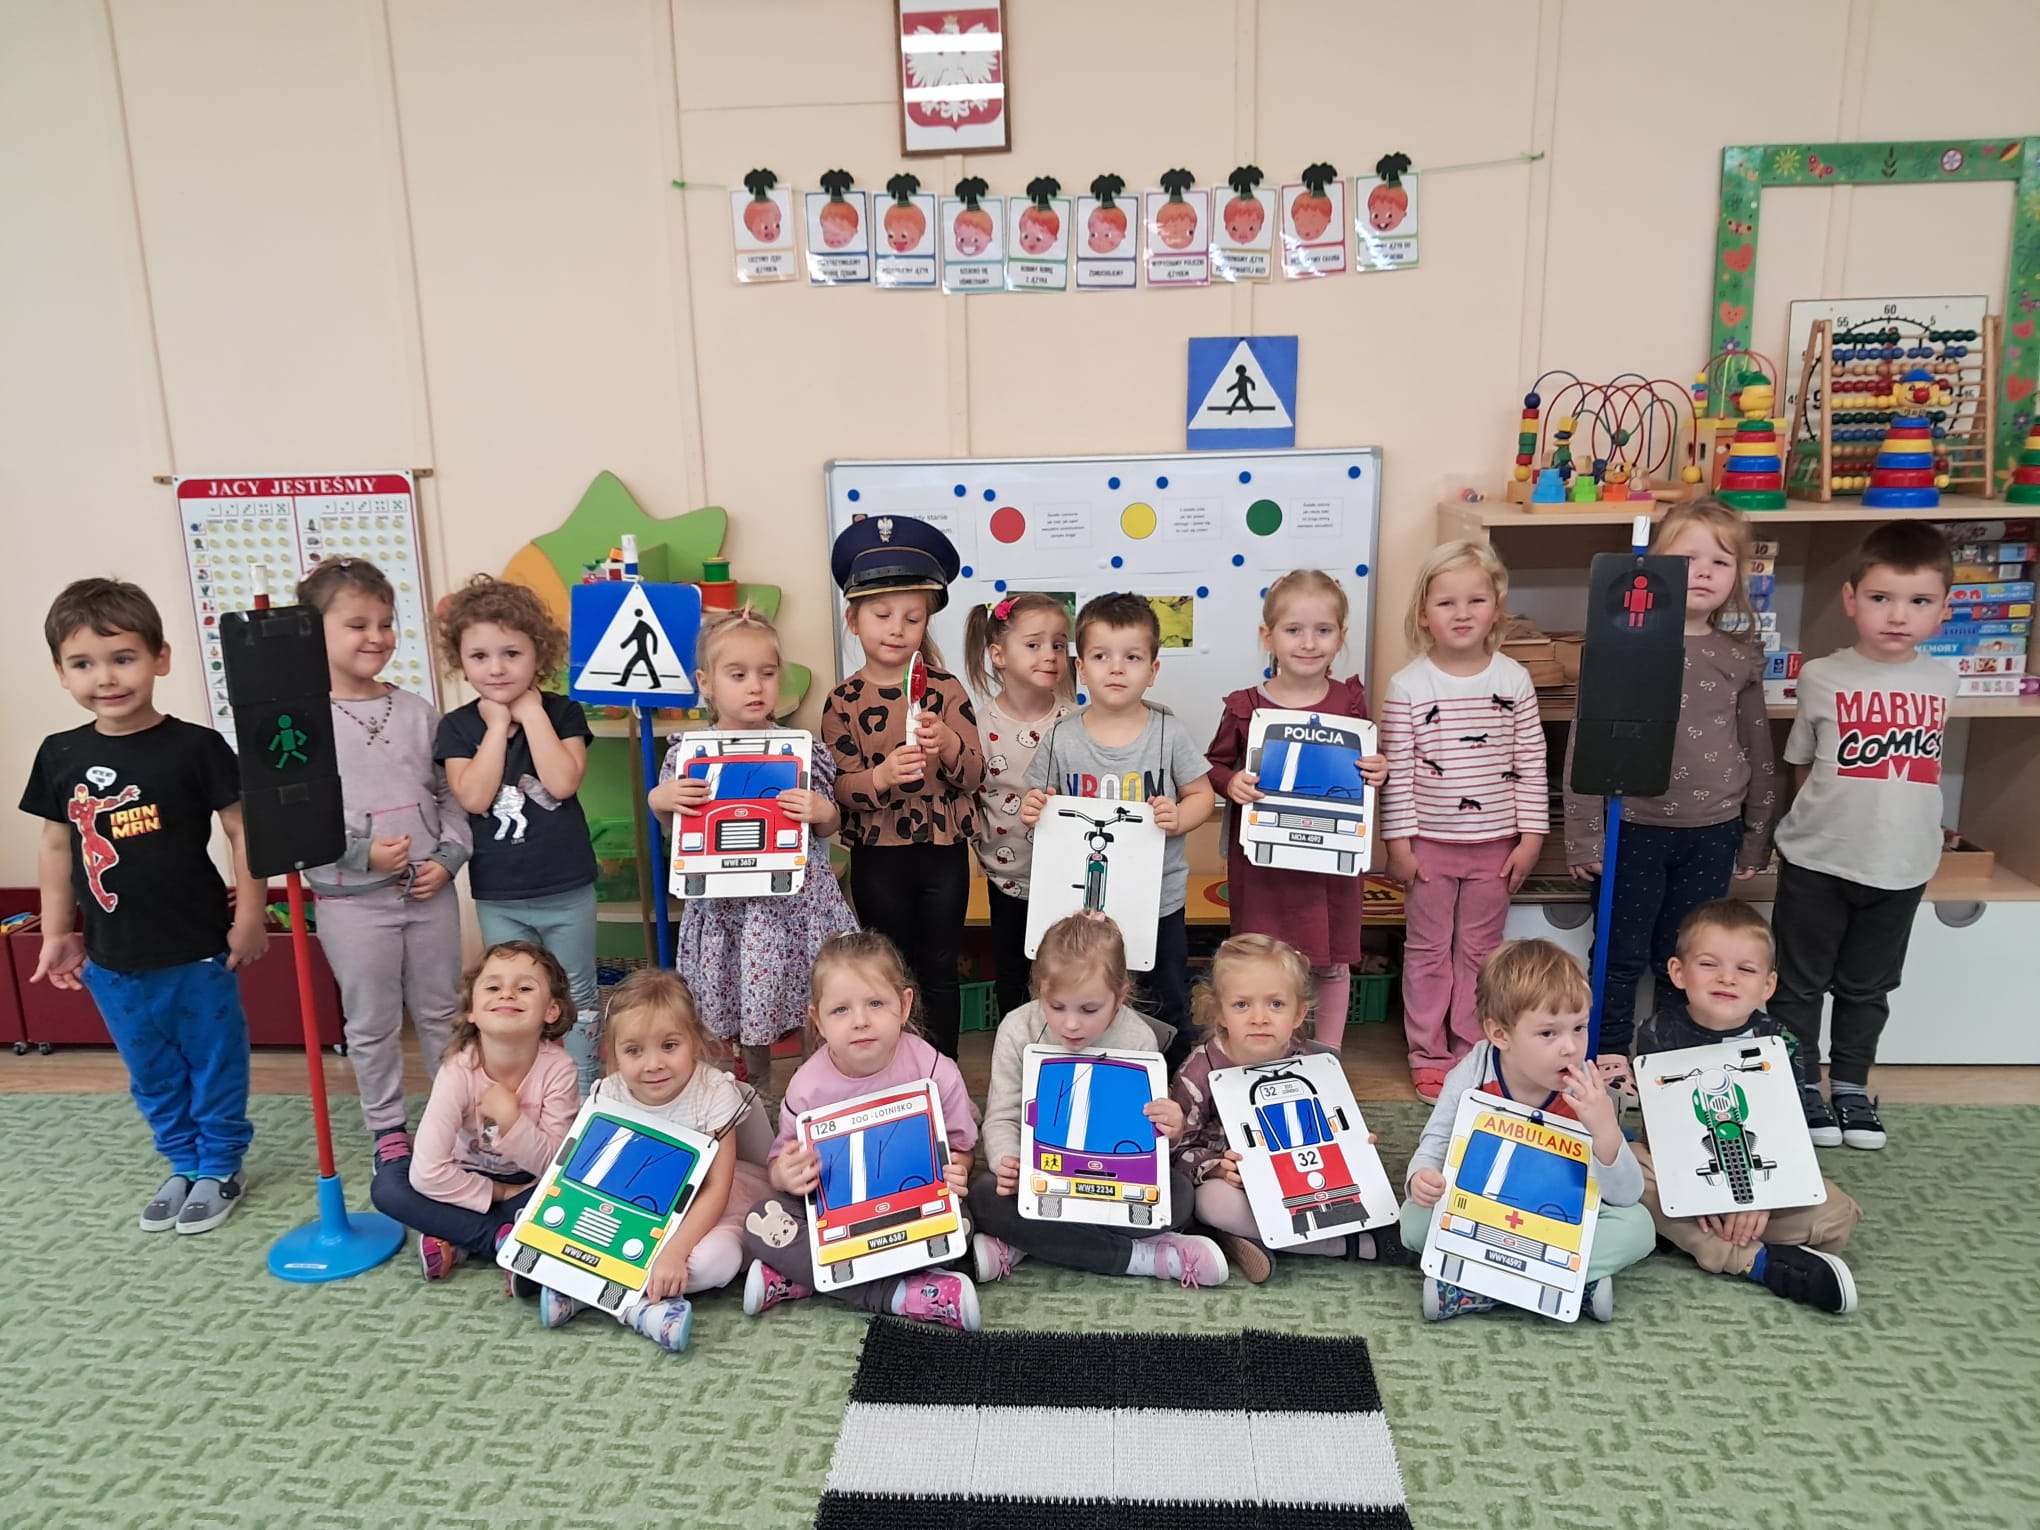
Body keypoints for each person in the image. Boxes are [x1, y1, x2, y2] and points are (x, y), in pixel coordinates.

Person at [21, 578, 269, 1235]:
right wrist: (56, 933)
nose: (106, 677)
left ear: (160, 657)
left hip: (196, 950)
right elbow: (55, 848)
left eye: (122, 657)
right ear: (61, 672)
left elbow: (245, 831)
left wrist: (249, 914)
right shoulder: (60, 754)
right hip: (113, 957)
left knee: (215, 1060)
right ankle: (183, 1161)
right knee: (151, 1071)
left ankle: (220, 1164)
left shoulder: (196, 747)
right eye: (84, 664)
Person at [1564, 499, 1779, 1057]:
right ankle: (1606, 1060)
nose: (1705, 571)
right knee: (1617, 953)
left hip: (1712, 833)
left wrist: (1756, 836)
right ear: (1652, 569)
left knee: (1685, 959)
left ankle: (1670, 1064)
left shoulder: (1739, 658)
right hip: (1632, 828)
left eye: (1721, 561)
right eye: (1688, 559)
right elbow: (1587, 742)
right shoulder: (1618, 650)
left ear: (1737, 577)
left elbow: (1758, 750)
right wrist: (1585, 834)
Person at [1769, 521, 1955, 1151]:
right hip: (1817, 861)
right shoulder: (1822, 676)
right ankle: (1798, 1086)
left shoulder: (1942, 681)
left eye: (1918, 601)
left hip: (1901, 866)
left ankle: (1850, 1085)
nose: (1897, 615)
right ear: (1851, 599)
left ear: (1943, 610)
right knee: (1798, 984)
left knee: (1867, 987)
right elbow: (1800, 761)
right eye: (1881, 598)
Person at [297, 558, 468, 1173]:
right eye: (357, 623)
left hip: (428, 894)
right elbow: (296, 812)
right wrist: (357, 852)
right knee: (369, 1021)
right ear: (312, 632)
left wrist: (449, 859)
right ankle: (388, 1130)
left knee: (444, 1012)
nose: (377, 637)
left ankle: (458, 1120)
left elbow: (449, 793)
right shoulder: (300, 723)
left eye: (386, 623)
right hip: (350, 901)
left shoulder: (419, 711)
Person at [647, 608, 856, 1105]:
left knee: (816, 999)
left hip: (797, 909)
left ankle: (817, 1094)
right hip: (729, 911)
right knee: (745, 1013)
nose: (755, 687)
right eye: (737, 675)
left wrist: (822, 810)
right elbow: (677, 830)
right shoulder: (687, 755)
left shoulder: (801, 749)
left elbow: (831, 825)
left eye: (766, 673)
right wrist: (660, 801)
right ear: (707, 682)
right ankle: (753, 1100)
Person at [1399, 939, 1656, 1321]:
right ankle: (1566, 1282)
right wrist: (1420, 1178)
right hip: (1487, 1208)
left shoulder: (1587, 1088)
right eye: (1548, 1033)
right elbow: (1435, 1143)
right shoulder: (1471, 1074)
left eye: (1580, 1027)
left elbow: (1625, 1195)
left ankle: (1476, 1288)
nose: (1571, 1047)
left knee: (1639, 1228)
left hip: (1557, 1217)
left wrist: (1604, 1129)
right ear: (1500, 1035)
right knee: (1413, 1221)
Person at [967, 914, 1228, 1289]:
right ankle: (1142, 1257)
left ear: (1121, 996)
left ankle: (1029, 1242)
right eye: (1055, 1007)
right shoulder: (1016, 1027)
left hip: (1109, 1181)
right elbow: (1003, 1116)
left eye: (1089, 1010)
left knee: (1179, 1195)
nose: (1071, 1025)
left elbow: (1149, 1136)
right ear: (1040, 990)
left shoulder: (1138, 1038)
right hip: (1043, 1176)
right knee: (985, 1195)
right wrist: (1009, 1162)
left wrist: (1170, 1127)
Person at [739, 931, 981, 1328]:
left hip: (909, 1205)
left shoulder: (935, 1070)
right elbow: (781, 1162)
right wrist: (786, 1173)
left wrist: (960, 1169)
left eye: (875, 1003)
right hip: (835, 1211)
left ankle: (805, 1278)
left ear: (903, 1006)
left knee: (964, 1222)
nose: (861, 1021)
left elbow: (961, 1147)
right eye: (841, 1011)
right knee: (762, 1220)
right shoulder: (806, 1086)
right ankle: (905, 1295)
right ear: (817, 1021)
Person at [1627, 901, 1860, 1313]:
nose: (1727, 978)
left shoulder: (1781, 1042)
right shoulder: (1657, 1034)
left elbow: (1788, 1131)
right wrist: (1708, 1197)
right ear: (1678, 973)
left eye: (1745, 970)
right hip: (1678, 1170)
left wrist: (1759, 1198)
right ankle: (1752, 1260)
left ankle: (1683, 1233)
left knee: (1837, 1218)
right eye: (1709, 964)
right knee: (1625, 1169)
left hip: (1757, 1173)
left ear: (1768, 985)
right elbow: (1668, 1132)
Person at [1380, 541, 1547, 1098]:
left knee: (1480, 953)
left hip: (1496, 846)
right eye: (1446, 602)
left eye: (1475, 599)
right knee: (1428, 951)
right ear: (1423, 614)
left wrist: (1532, 836)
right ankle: (1427, 1051)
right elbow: (1397, 772)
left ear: (1496, 607)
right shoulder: (1408, 686)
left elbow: (1530, 761)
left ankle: (1471, 1050)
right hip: (1428, 844)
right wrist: (1399, 844)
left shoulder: (1514, 680)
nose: (1462, 612)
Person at [1022, 594, 1216, 1066]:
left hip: (1157, 901)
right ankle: (1084, 1068)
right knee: (1082, 991)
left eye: (1132, 657)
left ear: (1152, 670)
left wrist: (1179, 817)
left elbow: (1203, 796)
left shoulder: (1168, 733)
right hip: (1078, 907)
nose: (1116, 668)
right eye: (1101, 656)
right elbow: (1035, 799)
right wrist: (1033, 808)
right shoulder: (1062, 736)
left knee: (1162, 995)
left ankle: (1169, 1085)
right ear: (1080, 668)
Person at [1205, 569, 1388, 1052]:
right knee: (1261, 963)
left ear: (1342, 637)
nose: (1309, 643)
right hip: (1265, 867)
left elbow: (1366, 767)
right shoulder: (1246, 708)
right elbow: (1213, 766)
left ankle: (1326, 1056)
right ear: (1268, 637)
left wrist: (1377, 769)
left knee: (1330, 963)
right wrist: (1233, 782)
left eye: (1323, 630)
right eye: (1294, 630)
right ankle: (1261, 1051)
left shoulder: (1351, 702)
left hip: (1328, 868)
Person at [823, 515, 985, 1057]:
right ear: (853, 619)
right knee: (886, 968)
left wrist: (949, 748)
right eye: (881, 614)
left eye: (912, 618)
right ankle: (891, 1065)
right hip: (878, 855)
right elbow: (838, 788)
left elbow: (975, 775)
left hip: (943, 853)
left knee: (940, 965)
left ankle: (944, 1071)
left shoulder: (945, 688)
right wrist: (882, 777)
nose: (897, 627)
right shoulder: (842, 701)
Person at [433, 574, 601, 1093]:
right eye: (480, 656)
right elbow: (476, 797)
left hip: (567, 888)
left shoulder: (561, 712)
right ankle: (526, 1089)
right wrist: (494, 728)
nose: (497, 667)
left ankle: (581, 1091)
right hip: (500, 895)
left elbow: (562, 780)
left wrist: (529, 715)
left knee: (575, 993)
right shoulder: (459, 726)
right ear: (461, 660)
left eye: (511, 653)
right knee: (513, 998)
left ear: (538, 655)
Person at [539, 969, 766, 1352]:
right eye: (634, 1051)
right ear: (613, 1053)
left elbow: (717, 1187)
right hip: (636, 1213)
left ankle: (588, 1289)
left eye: (669, 1046)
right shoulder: (607, 1095)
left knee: (718, 1262)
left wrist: (676, 1252)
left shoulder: (713, 1094)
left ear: (694, 1042)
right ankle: (641, 1309)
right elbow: (587, 1181)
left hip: (709, 1206)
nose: (653, 1064)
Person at [1170, 933, 1412, 1283]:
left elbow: (1335, 1123)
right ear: (1219, 1012)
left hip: (1300, 1177)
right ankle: (1344, 1245)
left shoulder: (1313, 1062)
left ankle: (1242, 1238)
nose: (1259, 1018)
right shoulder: (1200, 1069)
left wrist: (1355, 1144)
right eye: (1241, 1005)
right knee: (1210, 1203)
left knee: (1372, 1185)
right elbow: (1178, 1149)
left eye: (1276, 1005)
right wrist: (1215, 1169)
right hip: (1236, 1182)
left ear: (1299, 1013)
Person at [370, 941, 581, 1281]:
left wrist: (510, 1122)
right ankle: (502, 1242)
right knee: (388, 1188)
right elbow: (426, 1173)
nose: (507, 994)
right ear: (472, 1009)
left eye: (524, 987)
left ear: (551, 1010)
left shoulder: (559, 1069)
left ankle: (456, 1235)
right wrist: (495, 1193)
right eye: (494, 987)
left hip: (525, 1187)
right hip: (461, 1178)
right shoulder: (458, 1070)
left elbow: (555, 1165)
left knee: (569, 1201)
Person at [962, 592, 1076, 1020]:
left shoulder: (1076, 721)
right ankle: (1017, 1051)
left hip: (1068, 878)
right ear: (998, 655)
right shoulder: (976, 724)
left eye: (1059, 645)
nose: (1049, 655)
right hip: (1006, 876)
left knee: (1066, 971)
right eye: (1034, 644)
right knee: (1012, 971)